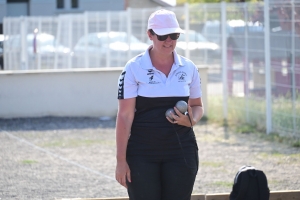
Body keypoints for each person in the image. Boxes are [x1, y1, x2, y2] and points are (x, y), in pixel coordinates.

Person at [115, 9, 204, 200]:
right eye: (163, 35)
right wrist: (121, 160)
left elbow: (197, 106)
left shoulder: (189, 68)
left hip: (181, 151)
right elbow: (125, 116)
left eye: (174, 35)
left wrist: (191, 121)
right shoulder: (133, 68)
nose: (169, 41)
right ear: (150, 35)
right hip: (141, 153)